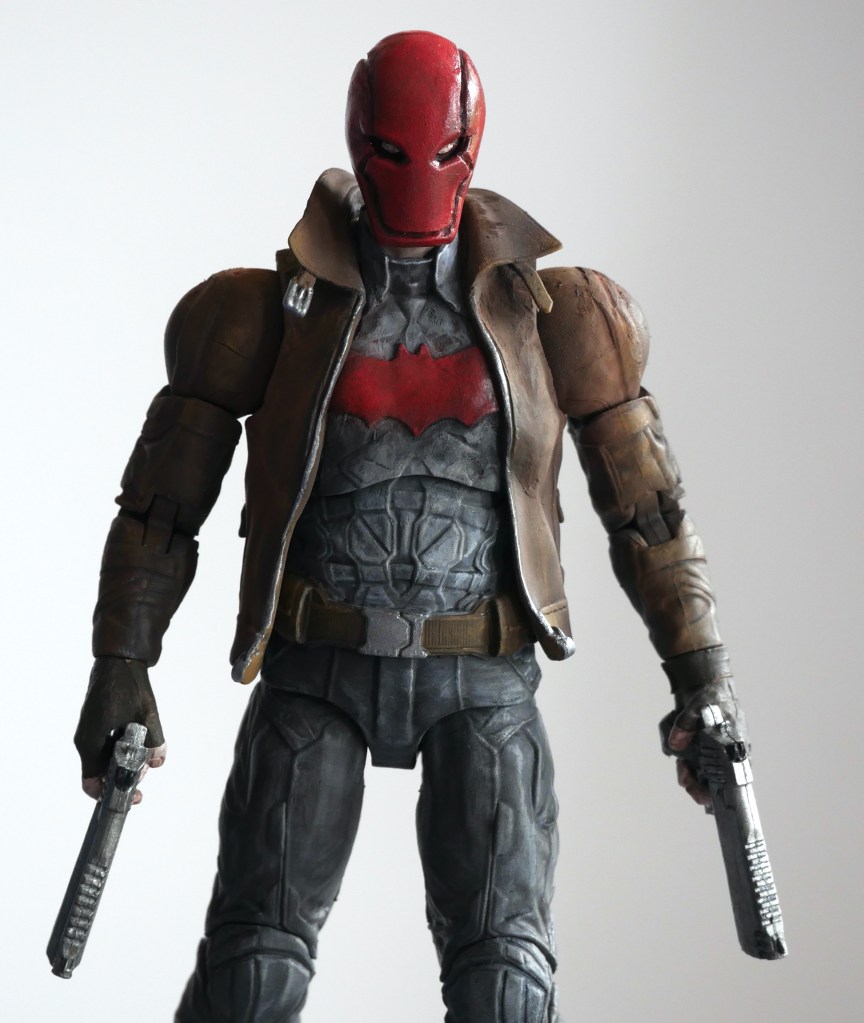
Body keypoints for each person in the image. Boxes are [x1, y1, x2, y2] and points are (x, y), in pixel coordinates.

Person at [73, 30, 746, 1023]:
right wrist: (121, 665)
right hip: (317, 668)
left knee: (506, 984)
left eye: (439, 150)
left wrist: (703, 680)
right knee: (252, 972)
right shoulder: (261, 314)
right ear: (358, 140)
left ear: (473, 145)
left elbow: (648, 512)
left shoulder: (562, 316)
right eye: (392, 151)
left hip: (485, 673)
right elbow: (159, 511)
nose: (417, 175)